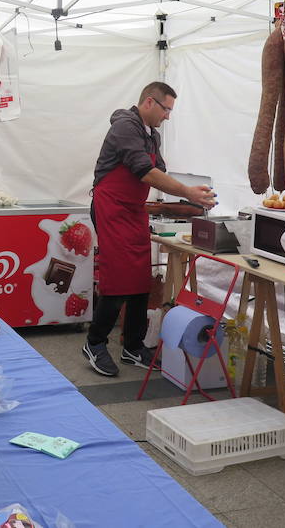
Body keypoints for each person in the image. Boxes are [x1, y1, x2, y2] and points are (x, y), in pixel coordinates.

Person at [82, 82, 216, 377]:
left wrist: (192, 197)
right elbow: (145, 172)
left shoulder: (150, 135)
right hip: (111, 207)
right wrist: (188, 193)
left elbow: (162, 173)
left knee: (140, 277)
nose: (168, 116)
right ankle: (95, 343)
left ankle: (133, 346)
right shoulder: (125, 127)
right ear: (149, 103)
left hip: (133, 210)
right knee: (118, 277)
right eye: (166, 109)